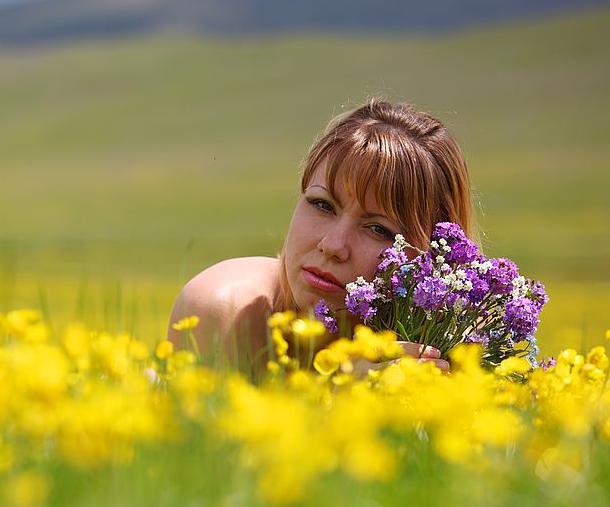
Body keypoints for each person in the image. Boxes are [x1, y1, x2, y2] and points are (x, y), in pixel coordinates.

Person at [166, 97, 478, 377]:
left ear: (433, 260)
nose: (332, 246)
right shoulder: (225, 307)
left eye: (379, 229)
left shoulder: (456, 348)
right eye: (322, 204)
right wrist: (336, 403)